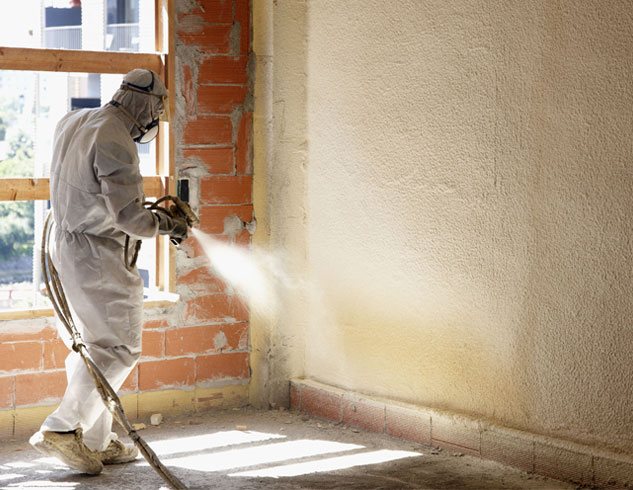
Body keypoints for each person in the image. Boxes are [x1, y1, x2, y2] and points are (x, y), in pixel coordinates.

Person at [29, 69, 188, 474]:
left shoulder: (76, 119)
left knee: (93, 346)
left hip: (64, 243)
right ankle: (62, 429)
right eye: (155, 110)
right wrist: (169, 224)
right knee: (118, 348)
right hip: (97, 254)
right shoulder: (115, 137)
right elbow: (131, 219)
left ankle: (96, 441)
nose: (154, 120)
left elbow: (92, 190)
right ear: (145, 105)